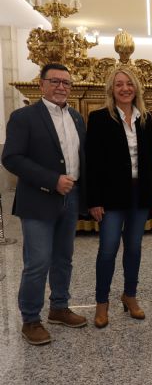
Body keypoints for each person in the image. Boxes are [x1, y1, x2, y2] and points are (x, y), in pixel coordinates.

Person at [2, 63, 88, 345]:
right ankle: (30, 319)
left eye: (66, 82)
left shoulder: (76, 117)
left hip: (70, 198)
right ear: (41, 85)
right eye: (55, 81)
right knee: (37, 262)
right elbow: (11, 158)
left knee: (63, 258)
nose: (61, 87)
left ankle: (59, 307)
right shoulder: (23, 117)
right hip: (38, 199)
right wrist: (52, 180)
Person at [86, 67, 152, 328]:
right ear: (111, 89)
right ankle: (101, 302)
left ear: (136, 87)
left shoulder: (146, 119)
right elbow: (92, 162)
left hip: (140, 193)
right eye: (119, 84)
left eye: (129, 84)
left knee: (134, 247)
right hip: (111, 195)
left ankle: (130, 295)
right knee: (108, 249)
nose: (125, 88)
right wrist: (94, 200)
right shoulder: (99, 118)